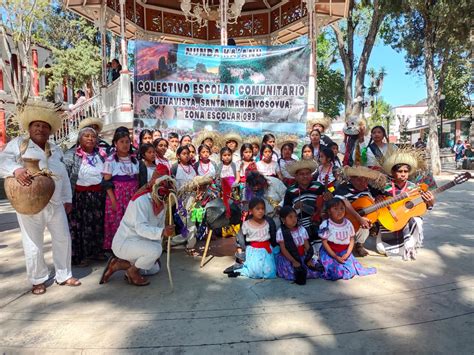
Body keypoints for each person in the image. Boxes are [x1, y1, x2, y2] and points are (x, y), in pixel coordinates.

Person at [0, 104, 81, 294]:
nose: (40, 129)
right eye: (36, 125)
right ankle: (38, 279)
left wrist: (67, 198)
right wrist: (16, 169)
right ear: (29, 128)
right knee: (32, 242)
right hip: (29, 203)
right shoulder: (19, 144)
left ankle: (64, 274)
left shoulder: (55, 149)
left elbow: (63, 175)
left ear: (50, 131)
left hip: (56, 203)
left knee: (62, 238)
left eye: (44, 126)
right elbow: (2, 161)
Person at [100, 177, 176, 286]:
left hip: (141, 243)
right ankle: (132, 271)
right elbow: (141, 229)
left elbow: (159, 227)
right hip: (126, 242)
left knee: (155, 268)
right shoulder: (142, 200)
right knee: (155, 251)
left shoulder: (163, 204)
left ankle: (118, 264)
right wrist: (162, 232)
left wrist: (155, 255)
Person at [377, 148, 435, 260]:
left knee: (417, 220)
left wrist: (430, 200)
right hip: (392, 221)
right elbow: (380, 205)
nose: (403, 174)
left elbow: (427, 205)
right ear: (393, 172)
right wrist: (378, 199)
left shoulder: (414, 188)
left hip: (407, 220)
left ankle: (409, 246)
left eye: (405, 171)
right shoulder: (385, 187)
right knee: (381, 249)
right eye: (399, 171)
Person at [64, 127, 108, 266]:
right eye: (86, 136)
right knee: (79, 227)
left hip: (98, 196)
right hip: (79, 196)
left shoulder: (101, 154)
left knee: (97, 224)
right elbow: (65, 176)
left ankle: (96, 251)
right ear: (80, 138)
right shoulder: (71, 154)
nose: (90, 139)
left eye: (93, 136)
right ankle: (80, 256)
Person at [333, 166, 386, 257]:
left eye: (365, 180)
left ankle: (359, 245)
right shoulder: (342, 189)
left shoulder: (367, 191)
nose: (363, 183)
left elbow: (368, 205)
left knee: (366, 224)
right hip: (342, 220)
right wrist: (358, 217)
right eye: (359, 180)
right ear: (351, 179)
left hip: (359, 222)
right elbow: (341, 204)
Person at [319, 198, 377, 280]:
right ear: (329, 211)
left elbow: (351, 239)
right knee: (334, 274)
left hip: (344, 252)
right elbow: (324, 243)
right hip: (330, 253)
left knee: (351, 271)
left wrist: (347, 254)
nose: (339, 211)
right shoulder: (326, 225)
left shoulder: (348, 223)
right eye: (335, 209)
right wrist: (335, 256)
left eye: (342, 208)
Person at [102, 128, 139, 250]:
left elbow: (137, 179)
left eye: (127, 142)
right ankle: (117, 248)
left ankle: (131, 247)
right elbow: (107, 181)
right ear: (115, 143)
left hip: (132, 195)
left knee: (132, 221)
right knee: (117, 222)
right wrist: (113, 201)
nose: (125, 145)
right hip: (117, 196)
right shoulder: (110, 160)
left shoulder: (134, 160)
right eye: (121, 142)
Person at [284, 160, 329, 252]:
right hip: (300, 225)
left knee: (321, 248)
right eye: (301, 174)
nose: (305, 176)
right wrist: (294, 208)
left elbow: (327, 204)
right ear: (295, 176)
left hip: (318, 223)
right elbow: (286, 210)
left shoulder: (319, 186)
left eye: (308, 173)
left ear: (311, 175)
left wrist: (329, 197)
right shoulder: (290, 191)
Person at [233, 198, 277, 279]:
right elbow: (240, 238)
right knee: (254, 273)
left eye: (263, 208)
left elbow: (273, 237)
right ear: (251, 210)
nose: (260, 211)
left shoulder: (268, 222)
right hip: (254, 251)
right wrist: (241, 254)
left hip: (266, 251)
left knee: (270, 273)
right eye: (257, 209)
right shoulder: (246, 224)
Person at [275, 206, 320, 283]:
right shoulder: (280, 232)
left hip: (302, 256)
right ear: (283, 220)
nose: (294, 219)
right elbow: (284, 249)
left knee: (314, 271)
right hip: (289, 258)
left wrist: (309, 259)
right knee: (293, 273)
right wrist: (293, 261)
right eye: (290, 217)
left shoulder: (301, 229)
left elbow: (307, 246)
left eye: (295, 216)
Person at [216, 147, 239, 217]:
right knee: (224, 206)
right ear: (221, 157)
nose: (227, 157)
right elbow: (217, 178)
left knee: (233, 205)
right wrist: (219, 188)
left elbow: (237, 178)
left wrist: (234, 186)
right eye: (225, 155)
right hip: (223, 189)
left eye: (229, 155)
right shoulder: (219, 166)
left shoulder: (234, 165)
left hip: (233, 189)